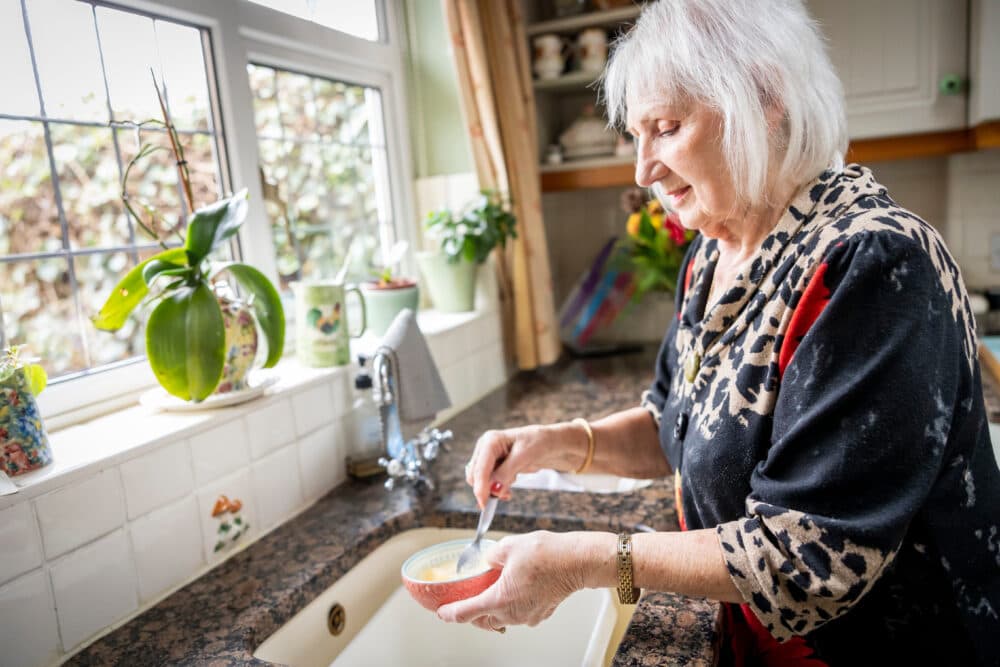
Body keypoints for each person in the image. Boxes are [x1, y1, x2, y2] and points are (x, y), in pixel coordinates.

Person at [436, 1, 1000, 665]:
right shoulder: (712, 256)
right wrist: (554, 443)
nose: (642, 170)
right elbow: (680, 428)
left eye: (666, 128)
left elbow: (807, 557)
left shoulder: (870, 263)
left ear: (766, 98)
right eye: (635, 136)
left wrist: (583, 560)